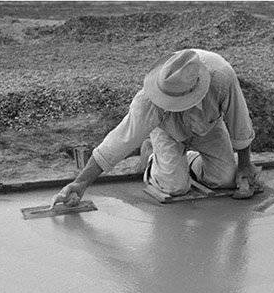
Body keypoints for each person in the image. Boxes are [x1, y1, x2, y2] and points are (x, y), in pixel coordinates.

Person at [54, 48, 260, 206]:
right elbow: (118, 141)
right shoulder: (148, 101)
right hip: (168, 130)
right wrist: (81, 183)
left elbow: (239, 122)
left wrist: (244, 165)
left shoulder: (221, 77)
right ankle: (152, 157)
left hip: (207, 126)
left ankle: (189, 160)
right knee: (175, 187)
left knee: (225, 179)